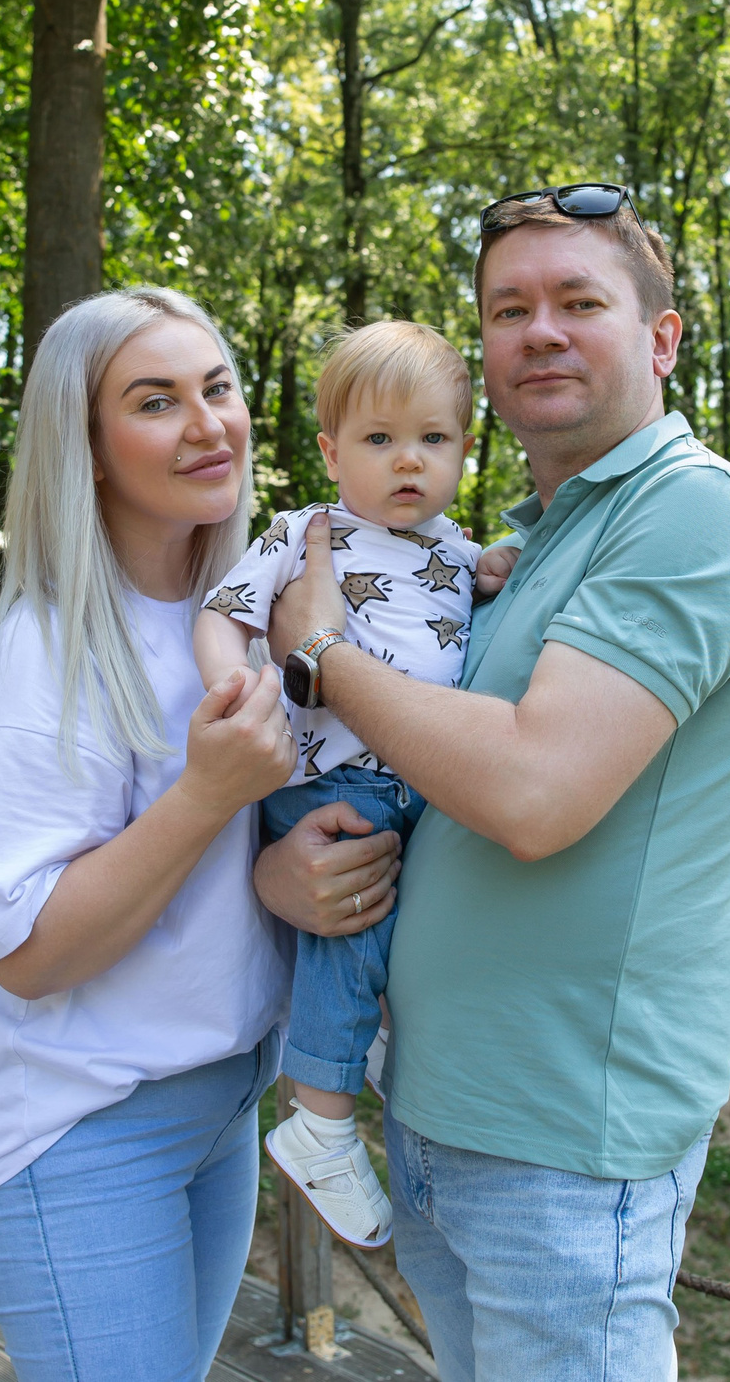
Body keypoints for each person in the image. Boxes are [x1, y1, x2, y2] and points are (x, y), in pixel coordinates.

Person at [269, 183, 730, 1378]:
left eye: (578, 301)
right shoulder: (525, 540)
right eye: (509, 310)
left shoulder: (690, 514)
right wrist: (288, 867)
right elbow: (426, 771)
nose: (540, 330)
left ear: (660, 338)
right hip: (437, 1114)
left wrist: (320, 651)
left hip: (563, 1142)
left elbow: (532, 794)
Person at [0, 287, 398, 1381]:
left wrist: (277, 870)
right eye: (155, 402)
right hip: (81, 1128)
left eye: (218, 388)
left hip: (220, 1100)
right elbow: (32, 953)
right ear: (85, 448)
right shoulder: (39, 660)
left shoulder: (252, 610)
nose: (209, 424)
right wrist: (205, 797)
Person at [193, 320, 506, 1247]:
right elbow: (226, 613)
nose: (407, 461)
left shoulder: (456, 550)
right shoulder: (307, 533)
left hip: (420, 779)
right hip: (337, 778)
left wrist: (491, 575)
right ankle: (321, 1120)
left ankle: (355, 1044)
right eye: (379, 439)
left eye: (433, 440)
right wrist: (235, 687)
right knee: (355, 915)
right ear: (332, 452)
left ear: (463, 448)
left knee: (411, 914)